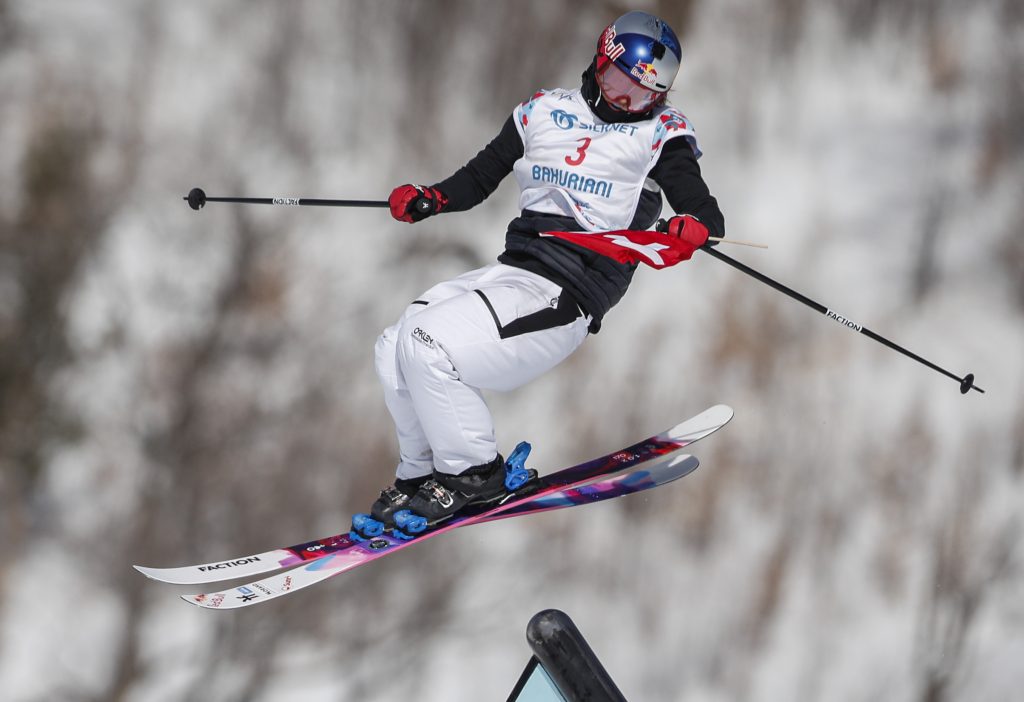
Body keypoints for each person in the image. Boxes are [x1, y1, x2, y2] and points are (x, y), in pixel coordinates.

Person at [360, 10, 725, 535]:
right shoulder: (543, 111)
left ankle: (475, 474)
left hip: (567, 293)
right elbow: (479, 177)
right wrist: (431, 198)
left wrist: (693, 227)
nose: (627, 103)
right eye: (622, 84)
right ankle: (421, 474)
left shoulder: (660, 134)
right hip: (515, 271)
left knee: (424, 340)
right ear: (602, 64)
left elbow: (702, 210)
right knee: (393, 343)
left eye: (643, 96)